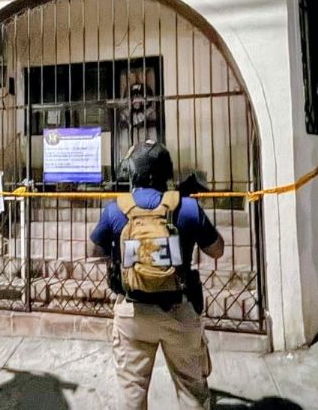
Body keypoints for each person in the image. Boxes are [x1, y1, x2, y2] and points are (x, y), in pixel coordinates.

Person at [90, 140, 224, 410]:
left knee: (132, 394)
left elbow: (95, 250)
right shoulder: (185, 207)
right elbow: (217, 250)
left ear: (134, 173)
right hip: (179, 311)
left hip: (133, 313)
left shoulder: (116, 209)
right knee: (191, 392)